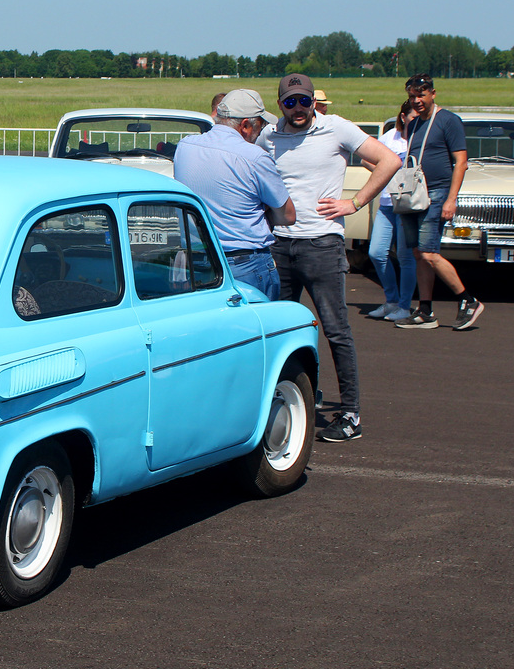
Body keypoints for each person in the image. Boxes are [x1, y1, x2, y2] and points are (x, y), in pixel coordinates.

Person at [258, 73, 401, 442]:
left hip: (321, 244)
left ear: (312, 102)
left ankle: (350, 413)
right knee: (279, 331)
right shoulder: (269, 136)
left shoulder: (336, 129)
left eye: (304, 101)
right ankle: (290, 401)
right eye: (290, 102)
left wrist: (353, 203)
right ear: (280, 105)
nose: (298, 109)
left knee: (336, 330)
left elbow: (389, 161)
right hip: (278, 245)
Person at [173, 89, 295, 300]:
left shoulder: (185, 146)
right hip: (244, 263)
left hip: (197, 260)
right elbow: (288, 216)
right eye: (260, 126)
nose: (260, 132)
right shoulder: (255, 156)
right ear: (246, 125)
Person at [394, 74, 485, 331]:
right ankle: (425, 309)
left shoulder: (448, 121)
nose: (417, 100)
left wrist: (451, 199)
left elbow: (461, 162)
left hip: (437, 193)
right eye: (412, 96)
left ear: (433, 93)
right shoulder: (413, 125)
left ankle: (468, 300)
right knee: (417, 253)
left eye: (422, 95)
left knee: (429, 252)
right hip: (413, 195)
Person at [366, 102, 418, 321]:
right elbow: (367, 159)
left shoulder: (421, 138)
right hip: (388, 203)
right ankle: (391, 301)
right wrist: (389, 174)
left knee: (406, 257)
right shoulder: (390, 137)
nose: (416, 119)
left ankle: (404, 306)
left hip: (409, 205)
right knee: (376, 253)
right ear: (403, 116)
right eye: (412, 116)